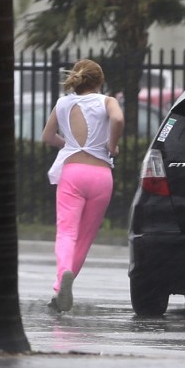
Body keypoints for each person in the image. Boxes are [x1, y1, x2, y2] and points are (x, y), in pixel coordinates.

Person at [41, 59, 124, 312]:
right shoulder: (107, 101)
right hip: (100, 176)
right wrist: (111, 145)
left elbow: (47, 137)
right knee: (85, 238)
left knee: (67, 232)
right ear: (99, 81)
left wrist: (68, 144)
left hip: (73, 172)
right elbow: (118, 120)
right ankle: (60, 289)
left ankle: (62, 276)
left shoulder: (63, 104)